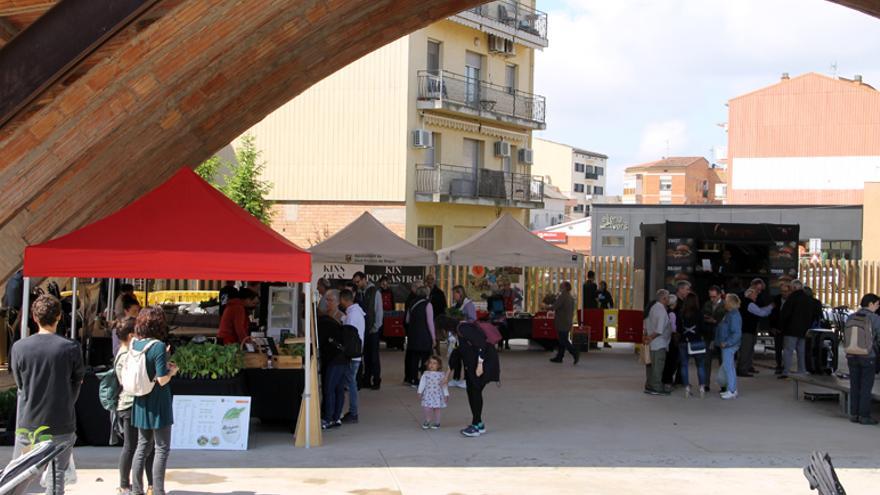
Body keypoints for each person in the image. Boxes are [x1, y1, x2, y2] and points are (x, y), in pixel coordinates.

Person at [11, 294, 85, 494]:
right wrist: (67, 401)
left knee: (18, 474)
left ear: (34, 318)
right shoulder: (71, 348)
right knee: (56, 475)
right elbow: (78, 381)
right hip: (61, 421)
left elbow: (20, 384)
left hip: (29, 422)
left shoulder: (19, 348)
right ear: (59, 317)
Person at [131, 306, 178, 495]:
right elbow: (161, 379)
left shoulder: (136, 344)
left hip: (140, 398)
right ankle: (158, 490)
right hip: (158, 401)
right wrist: (172, 371)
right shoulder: (158, 346)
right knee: (162, 448)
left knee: (142, 446)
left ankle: (136, 489)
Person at [114, 317, 154, 495]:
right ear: (131, 335)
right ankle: (125, 484)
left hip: (128, 404)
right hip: (130, 404)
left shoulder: (122, 351)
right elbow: (129, 381)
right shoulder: (126, 355)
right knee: (134, 446)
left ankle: (140, 484)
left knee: (138, 446)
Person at [451, 322, 500, 437]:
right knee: (472, 392)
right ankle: (478, 424)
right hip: (475, 366)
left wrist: (480, 364)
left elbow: (481, 344)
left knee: (475, 392)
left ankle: (476, 425)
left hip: (484, 364)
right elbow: (459, 351)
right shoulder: (460, 331)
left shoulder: (463, 328)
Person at [844, 294, 880, 425]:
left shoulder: (851, 316)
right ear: (870, 304)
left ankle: (854, 414)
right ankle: (864, 416)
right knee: (866, 386)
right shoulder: (875, 318)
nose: (877, 307)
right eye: (877, 304)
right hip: (867, 356)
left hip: (852, 354)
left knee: (855, 385)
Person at [779, 280, 821, 379]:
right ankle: (802, 370)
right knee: (801, 351)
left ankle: (786, 371)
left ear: (793, 288)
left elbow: (785, 314)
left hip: (791, 330)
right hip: (804, 330)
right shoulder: (809, 300)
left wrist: (781, 326)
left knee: (788, 351)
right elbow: (813, 315)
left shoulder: (792, 299)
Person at [317, 311, 348, 430]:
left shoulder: (321, 325)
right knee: (339, 389)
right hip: (344, 357)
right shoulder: (332, 323)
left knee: (329, 389)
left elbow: (319, 343)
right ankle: (337, 417)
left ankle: (328, 419)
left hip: (334, 360)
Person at [353, 272, 383, 390]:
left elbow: (379, 311)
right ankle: (366, 379)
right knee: (366, 356)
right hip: (363, 330)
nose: (357, 284)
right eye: (355, 282)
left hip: (373, 330)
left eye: (358, 281)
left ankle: (376, 380)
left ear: (364, 279)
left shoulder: (375, 292)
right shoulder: (359, 293)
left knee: (374, 356)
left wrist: (376, 327)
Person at [339, 289, 365, 424]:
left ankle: (353, 412)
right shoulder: (356, 313)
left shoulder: (352, 315)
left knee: (350, 383)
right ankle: (351, 411)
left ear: (344, 300)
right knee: (351, 383)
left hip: (351, 355)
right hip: (356, 353)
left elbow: (348, 334)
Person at [737, 287, 774, 378]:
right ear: (750, 294)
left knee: (749, 350)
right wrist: (771, 307)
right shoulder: (749, 304)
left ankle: (747, 367)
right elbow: (761, 312)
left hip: (748, 330)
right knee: (746, 351)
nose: (757, 296)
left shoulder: (747, 303)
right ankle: (742, 370)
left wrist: (768, 308)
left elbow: (760, 310)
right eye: (755, 294)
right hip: (747, 331)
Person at [404, 285, 436, 386]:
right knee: (425, 359)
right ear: (426, 293)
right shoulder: (428, 305)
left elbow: (407, 320)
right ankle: (424, 380)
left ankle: (413, 379)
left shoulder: (412, 303)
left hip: (413, 335)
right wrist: (434, 338)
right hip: (425, 336)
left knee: (414, 358)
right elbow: (430, 323)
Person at [662, 281, 691, 388]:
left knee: (681, 358)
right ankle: (667, 380)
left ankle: (679, 379)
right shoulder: (674, 302)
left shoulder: (684, 302)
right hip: (674, 336)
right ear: (681, 289)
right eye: (687, 289)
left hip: (681, 335)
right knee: (672, 358)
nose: (688, 291)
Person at [678, 292, 707, 398]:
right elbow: (703, 328)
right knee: (700, 365)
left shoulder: (681, 313)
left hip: (683, 341)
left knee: (684, 365)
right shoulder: (699, 313)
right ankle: (702, 388)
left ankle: (686, 388)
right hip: (696, 341)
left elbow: (678, 329)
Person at [644, 290, 671, 396]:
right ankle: (656, 387)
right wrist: (650, 337)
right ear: (664, 298)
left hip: (652, 344)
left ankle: (649, 385)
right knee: (657, 366)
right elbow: (659, 330)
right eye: (668, 298)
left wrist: (647, 337)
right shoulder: (661, 310)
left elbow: (646, 323)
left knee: (650, 366)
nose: (669, 300)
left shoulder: (652, 307)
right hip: (659, 343)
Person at [447, 286, 476, 389]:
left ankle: (467, 380)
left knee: (466, 359)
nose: (453, 295)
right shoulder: (455, 306)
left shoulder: (468, 305)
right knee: (456, 357)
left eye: (455, 293)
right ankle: (456, 378)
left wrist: (463, 321)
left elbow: (473, 320)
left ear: (460, 293)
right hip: (456, 335)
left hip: (466, 336)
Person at [715, 294, 743, 400]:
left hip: (729, 345)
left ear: (730, 303)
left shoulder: (733, 315)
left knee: (729, 368)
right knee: (728, 367)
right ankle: (731, 389)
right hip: (727, 344)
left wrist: (727, 343)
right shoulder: (730, 314)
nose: (724, 303)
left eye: (726, 301)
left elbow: (736, 333)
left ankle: (732, 390)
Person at [548, 282, 579, 365]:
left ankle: (574, 353)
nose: (560, 286)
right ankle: (559, 357)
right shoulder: (570, 297)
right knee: (562, 340)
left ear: (565, 287)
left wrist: (546, 307)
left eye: (561, 285)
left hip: (562, 321)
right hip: (568, 321)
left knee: (563, 340)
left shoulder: (563, 296)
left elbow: (555, 307)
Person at [701, 286, 726, 388]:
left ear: (719, 295)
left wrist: (715, 321)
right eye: (711, 297)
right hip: (708, 335)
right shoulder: (707, 304)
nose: (712, 299)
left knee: (723, 362)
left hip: (720, 337)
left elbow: (725, 320)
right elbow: (702, 316)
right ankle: (706, 384)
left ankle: (723, 385)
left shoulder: (725, 305)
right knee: (706, 361)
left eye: (714, 297)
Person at [418, 356, 449, 429]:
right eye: (430, 363)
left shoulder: (441, 375)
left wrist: (446, 394)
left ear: (439, 365)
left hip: (437, 395)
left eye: (434, 363)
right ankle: (427, 419)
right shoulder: (426, 374)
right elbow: (422, 383)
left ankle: (437, 422)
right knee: (426, 408)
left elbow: (444, 385)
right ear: (427, 364)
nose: (432, 365)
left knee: (437, 409)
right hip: (428, 394)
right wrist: (420, 392)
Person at [769, 283, 792, 375]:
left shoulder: (792, 300)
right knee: (778, 348)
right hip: (777, 328)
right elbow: (772, 314)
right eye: (782, 291)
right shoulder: (776, 299)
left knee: (787, 349)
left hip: (788, 329)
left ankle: (786, 367)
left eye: (786, 291)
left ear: (789, 291)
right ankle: (779, 365)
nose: (784, 293)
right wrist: (772, 327)